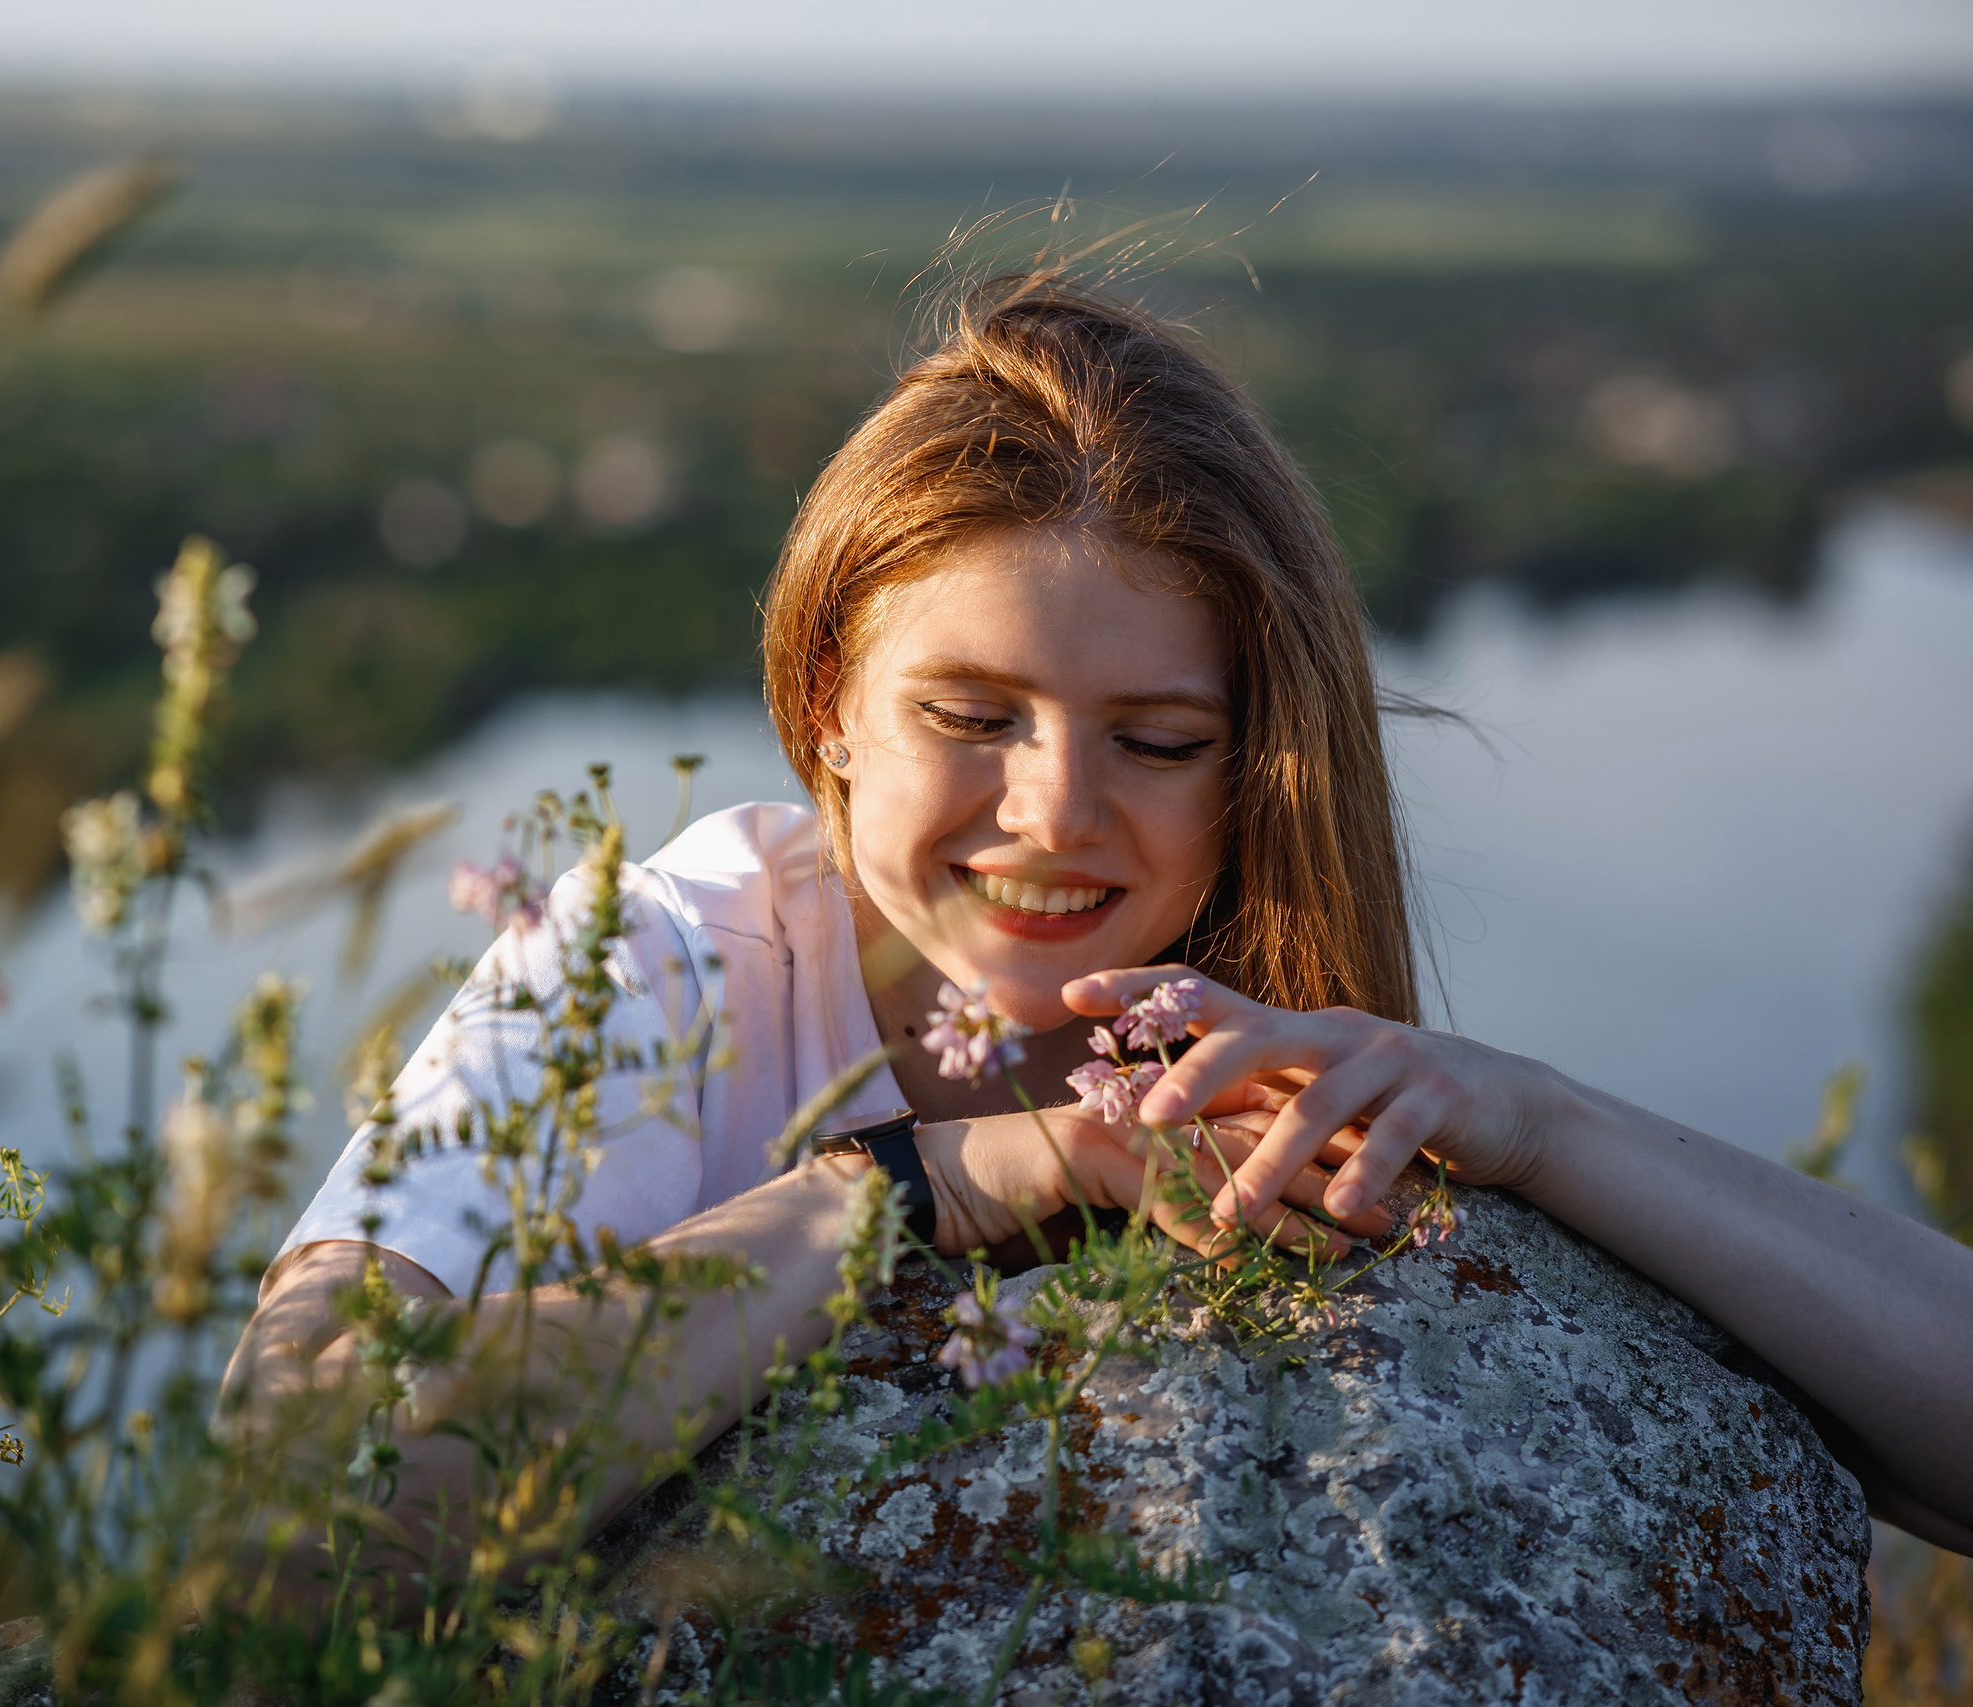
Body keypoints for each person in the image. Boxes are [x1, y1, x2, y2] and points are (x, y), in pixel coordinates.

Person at [225, 274, 1973, 1562]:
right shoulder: (666, 959)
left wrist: (1535, 1118)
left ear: (1260, 764)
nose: (1057, 811)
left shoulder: (1277, 1051)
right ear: (829, 696)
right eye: (970, 717)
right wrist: (959, 1178)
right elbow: (289, 1510)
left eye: (1159, 739)